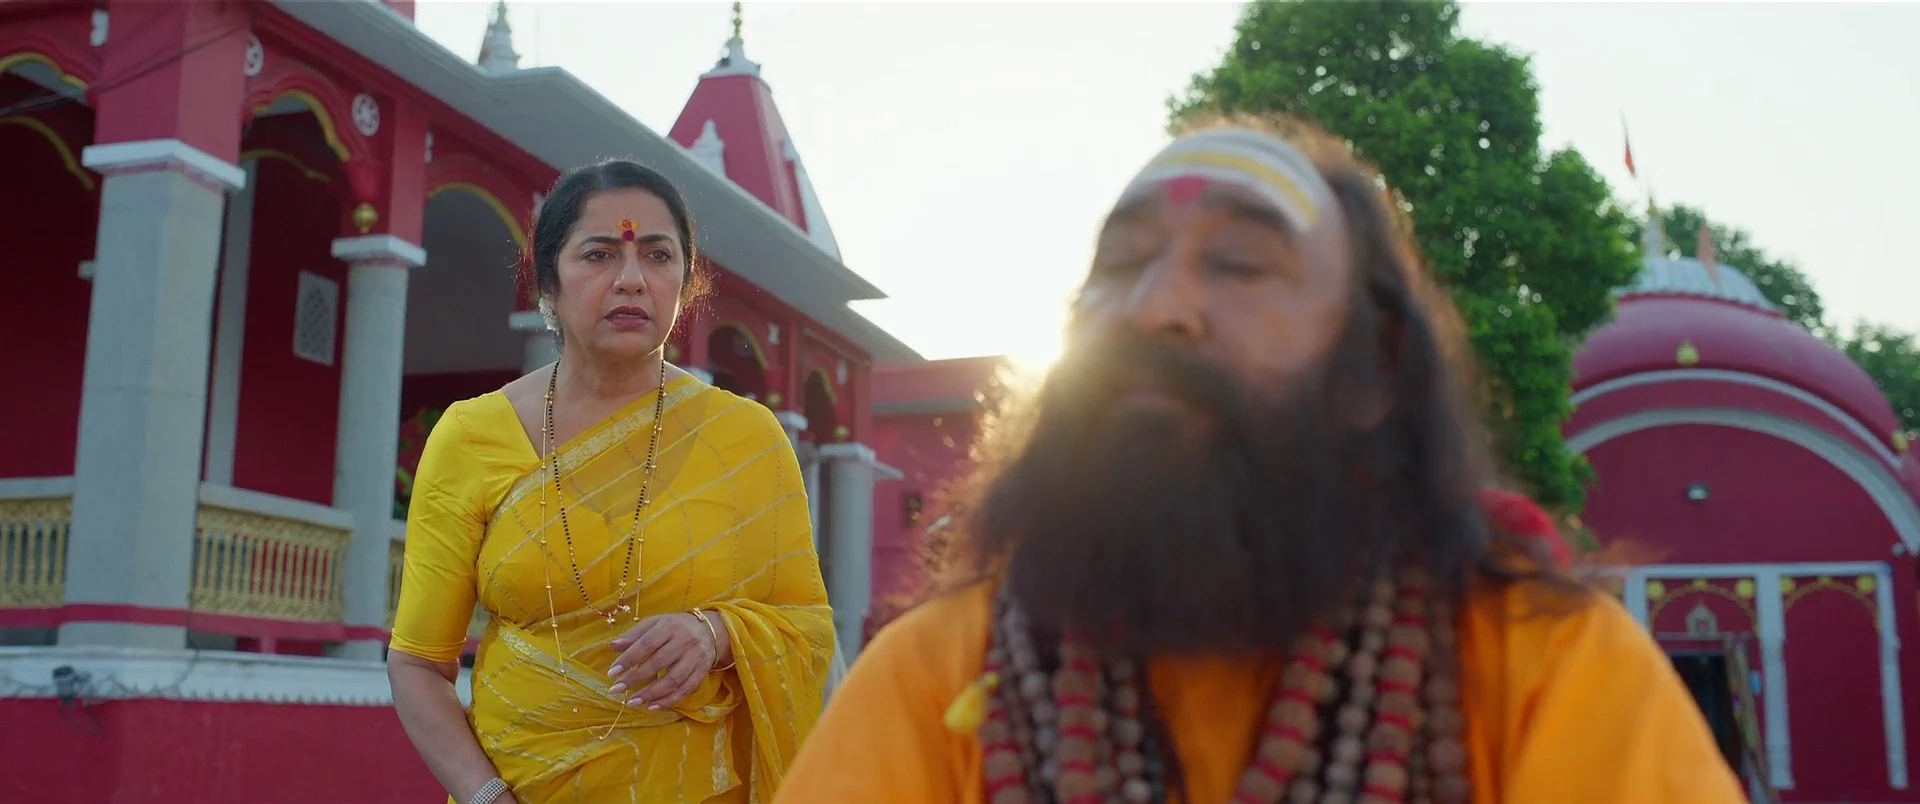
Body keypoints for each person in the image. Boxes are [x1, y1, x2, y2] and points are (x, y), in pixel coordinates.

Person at [773, 119, 1745, 804]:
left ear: (1373, 369)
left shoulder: (1536, 663)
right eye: (1122, 265)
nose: (1156, 307)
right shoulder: (941, 671)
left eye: (1240, 264)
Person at [388, 159, 835, 804]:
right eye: (598, 255)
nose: (631, 279)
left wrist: (716, 634)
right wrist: (485, 796)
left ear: (685, 281)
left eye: (658, 255)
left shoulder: (747, 440)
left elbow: (807, 628)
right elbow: (418, 664)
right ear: (548, 280)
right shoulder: (471, 437)